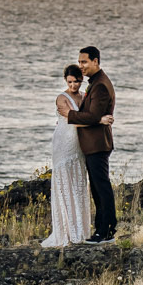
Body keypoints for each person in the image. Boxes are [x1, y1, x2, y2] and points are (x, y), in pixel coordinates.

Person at [64, 46, 118, 242]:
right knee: (97, 187)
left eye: (84, 62)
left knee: (101, 188)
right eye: (79, 62)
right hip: (94, 143)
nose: (81, 66)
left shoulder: (101, 85)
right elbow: (96, 116)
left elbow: (93, 115)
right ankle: (102, 230)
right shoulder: (95, 83)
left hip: (97, 144)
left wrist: (68, 115)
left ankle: (106, 231)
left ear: (96, 61)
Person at [40, 64, 95, 249]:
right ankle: (67, 230)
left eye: (76, 81)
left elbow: (86, 115)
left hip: (79, 144)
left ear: (81, 80)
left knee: (78, 182)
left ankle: (80, 228)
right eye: (70, 82)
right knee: (65, 182)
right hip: (64, 143)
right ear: (66, 80)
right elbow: (74, 119)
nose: (73, 85)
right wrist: (98, 119)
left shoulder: (83, 96)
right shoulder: (61, 99)